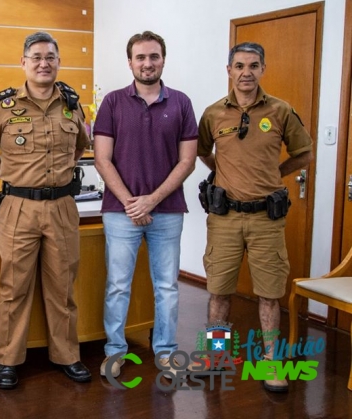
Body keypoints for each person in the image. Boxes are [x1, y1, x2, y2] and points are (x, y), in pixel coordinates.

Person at [0, 31, 91, 389]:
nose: (44, 63)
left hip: (61, 206)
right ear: (23, 63)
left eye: (51, 57)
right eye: (36, 57)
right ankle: (8, 360)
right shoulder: (4, 107)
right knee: (13, 288)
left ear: (59, 62)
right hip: (18, 208)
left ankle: (67, 356)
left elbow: (79, 150)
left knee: (63, 288)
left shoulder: (73, 105)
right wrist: (16, 178)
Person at [197, 42, 313, 392]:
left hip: (266, 219)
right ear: (228, 70)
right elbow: (202, 151)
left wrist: (274, 173)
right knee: (218, 292)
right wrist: (225, 173)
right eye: (239, 65)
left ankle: (270, 361)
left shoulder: (280, 111)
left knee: (269, 294)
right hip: (225, 218)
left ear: (263, 69)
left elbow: (304, 154)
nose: (246, 72)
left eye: (253, 65)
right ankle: (216, 356)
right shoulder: (213, 113)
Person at [93, 31, 198, 379]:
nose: (147, 63)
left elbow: (187, 161)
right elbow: (102, 159)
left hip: (167, 213)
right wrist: (129, 202)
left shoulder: (181, 103)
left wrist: (151, 200)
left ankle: (165, 351)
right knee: (118, 284)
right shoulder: (111, 102)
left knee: (167, 286)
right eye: (140, 57)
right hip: (120, 213)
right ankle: (115, 350)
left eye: (153, 56)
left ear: (163, 59)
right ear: (130, 62)